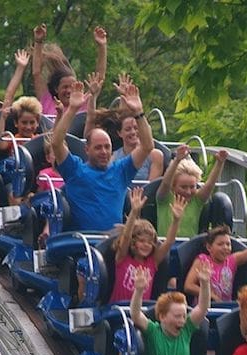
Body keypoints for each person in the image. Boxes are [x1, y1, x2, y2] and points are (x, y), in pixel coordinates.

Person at [52, 78, 154, 232]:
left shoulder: (120, 170)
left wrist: (139, 113)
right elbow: (56, 143)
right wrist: (72, 109)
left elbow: (147, 146)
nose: (104, 152)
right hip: (82, 243)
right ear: (87, 149)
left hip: (112, 243)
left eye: (107, 147)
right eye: (98, 148)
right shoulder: (75, 169)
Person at [106, 188, 187, 303]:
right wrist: (134, 212)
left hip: (141, 311)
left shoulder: (152, 262)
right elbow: (126, 237)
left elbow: (169, 242)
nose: (146, 245)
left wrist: (176, 220)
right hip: (120, 308)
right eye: (142, 241)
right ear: (133, 242)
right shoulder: (123, 258)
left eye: (150, 242)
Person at [183, 201, 247, 302]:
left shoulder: (232, 260)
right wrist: (212, 296)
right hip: (205, 307)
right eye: (220, 244)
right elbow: (188, 285)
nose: (225, 247)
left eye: (228, 244)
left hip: (225, 306)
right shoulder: (202, 260)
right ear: (209, 247)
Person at [32, 23, 107, 117]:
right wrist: (38, 42)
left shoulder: (84, 102)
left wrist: (102, 46)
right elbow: (36, 73)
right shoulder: (47, 100)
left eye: (72, 86)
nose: (69, 91)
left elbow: (99, 78)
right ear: (56, 89)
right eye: (65, 87)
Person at [156, 145, 228, 239]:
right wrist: (177, 160)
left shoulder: (196, 201)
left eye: (192, 187)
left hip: (188, 248)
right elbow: (166, 183)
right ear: (173, 186)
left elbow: (209, 185)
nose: (188, 192)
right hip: (165, 247)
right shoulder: (164, 199)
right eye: (183, 187)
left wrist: (219, 163)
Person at [110, 113, 164, 182]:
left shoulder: (155, 156)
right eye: (128, 129)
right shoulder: (113, 158)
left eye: (136, 128)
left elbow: (151, 187)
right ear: (119, 133)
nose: (133, 132)